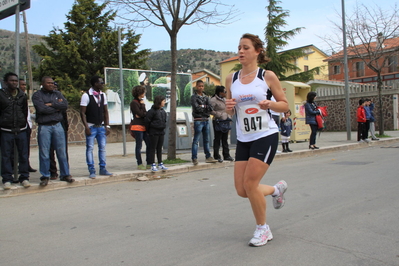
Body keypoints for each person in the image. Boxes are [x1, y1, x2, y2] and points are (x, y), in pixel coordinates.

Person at [225, 33, 289, 247]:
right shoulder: (231, 79)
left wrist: (269, 104)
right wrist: (229, 109)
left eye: (245, 47)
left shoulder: (267, 76)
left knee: (251, 184)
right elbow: (231, 109)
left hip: (265, 135)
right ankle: (275, 189)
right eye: (239, 47)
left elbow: (284, 104)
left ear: (257, 51)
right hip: (244, 137)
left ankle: (263, 229)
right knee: (242, 190)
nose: (241, 51)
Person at [32, 76, 74, 186]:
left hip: (57, 125)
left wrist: (51, 104)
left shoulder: (57, 94)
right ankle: (45, 176)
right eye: (48, 83)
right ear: (43, 84)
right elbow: (41, 109)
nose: (51, 84)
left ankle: (65, 174)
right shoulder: (37, 95)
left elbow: (64, 105)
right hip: (44, 127)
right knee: (45, 153)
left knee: (62, 152)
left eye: (52, 83)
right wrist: (57, 107)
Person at [0, 72, 30, 190]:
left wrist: (23, 122)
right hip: (6, 129)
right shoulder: (1, 95)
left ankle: (24, 177)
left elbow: (24, 110)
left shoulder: (22, 95)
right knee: (6, 155)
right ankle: (7, 179)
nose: (14, 83)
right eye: (12, 81)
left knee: (23, 154)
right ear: (6, 82)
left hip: (21, 129)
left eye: (16, 81)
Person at [80, 76, 113, 178]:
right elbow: (82, 112)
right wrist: (86, 127)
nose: (102, 84)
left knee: (102, 148)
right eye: (100, 82)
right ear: (95, 84)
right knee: (90, 148)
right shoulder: (86, 95)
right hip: (91, 126)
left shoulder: (102, 95)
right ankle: (91, 170)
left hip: (101, 126)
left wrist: (107, 125)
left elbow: (105, 111)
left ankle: (103, 168)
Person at [191, 80, 217, 165]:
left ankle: (208, 156)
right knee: (196, 140)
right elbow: (196, 108)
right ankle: (194, 158)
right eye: (199, 86)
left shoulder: (206, 97)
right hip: (198, 120)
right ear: (196, 86)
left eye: (202, 86)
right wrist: (204, 107)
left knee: (206, 139)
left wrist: (203, 106)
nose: (201, 87)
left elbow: (210, 108)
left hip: (206, 119)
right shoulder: (194, 97)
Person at [49, 81, 69, 180]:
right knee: (49, 151)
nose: (54, 88)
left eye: (56, 87)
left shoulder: (60, 97)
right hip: (48, 125)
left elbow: (64, 107)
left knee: (63, 151)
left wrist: (51, 105)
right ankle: (53, 172)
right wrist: (56, 105)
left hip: (61, 127)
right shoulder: (44, 96)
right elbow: (43, 108)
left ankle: (65, 172)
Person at [210, 85, 234, 162]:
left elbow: (227, 108)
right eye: (224, 92)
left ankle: (226, 155)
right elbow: (210, 110)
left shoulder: (224, 99)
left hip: (225, 121)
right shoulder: (213, 100)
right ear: (220, 92)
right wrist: (219, 114)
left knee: (225, 139)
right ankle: (216, 156)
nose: (225, 93)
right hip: (218, 121)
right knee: (217, 139)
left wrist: (229, 116)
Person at [145, 95, 168, 172]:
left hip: (161, 132)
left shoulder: (163, 111)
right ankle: (152, 164)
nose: (164, 102)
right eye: (163, 101)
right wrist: (149, 131)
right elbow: (147, 122)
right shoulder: (152, 111)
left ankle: (160, 163)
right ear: (159, 101)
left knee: (159, 148)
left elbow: (164, 121)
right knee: (152, 148)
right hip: (153, 132)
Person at [130, 85, 150, 170]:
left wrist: (142, 108)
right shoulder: (134, 103)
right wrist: (142, 106)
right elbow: (140, 113)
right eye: (143, 92)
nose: (144, 93)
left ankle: (149, 162)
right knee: (139, 145)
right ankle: (139, 163)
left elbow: (145, 114)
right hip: (137, 126)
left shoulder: (141, 102)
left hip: (144, 125)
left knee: (149, 144)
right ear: (140, 93)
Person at [19, 78, 37, 172]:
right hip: (19, 125)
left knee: (26, 147)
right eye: (22, 85)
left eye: (25, 85)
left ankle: (26, 164)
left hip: (27, 125)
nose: (24, 87)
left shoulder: (24, 96)